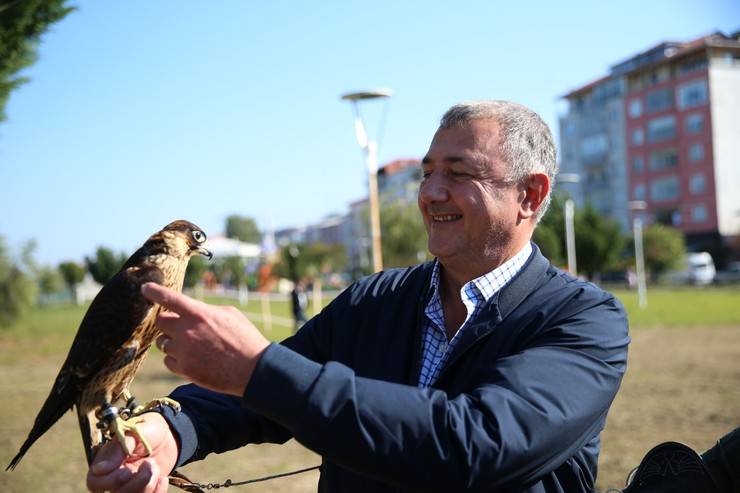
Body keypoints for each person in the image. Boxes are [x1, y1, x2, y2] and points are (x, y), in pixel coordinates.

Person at [87, 100, 630, 493]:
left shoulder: (585, 322)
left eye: (459, 174)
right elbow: (267, 393)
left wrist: (258, 369)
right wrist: (171, 430)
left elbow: (478, 445)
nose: (430, 192)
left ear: (530, 196)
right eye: (427, 173)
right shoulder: (376, 299)